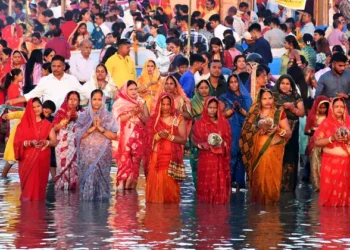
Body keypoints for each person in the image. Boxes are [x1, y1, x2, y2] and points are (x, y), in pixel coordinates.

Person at [240, 89, 292, 204]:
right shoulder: (254, 114)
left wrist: (279, 130)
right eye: (264, 98)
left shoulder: (279, 113)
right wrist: (258, 131)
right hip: (257, 154)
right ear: (259, 100)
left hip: (274, 152)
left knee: (272, 184)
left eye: (270, 98)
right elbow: (245, 133)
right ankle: (257, 213)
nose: (268, 101)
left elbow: (289, 133)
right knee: (258, 184)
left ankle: (271, 213)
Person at [6, 55, 91, 112]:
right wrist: (13, 101)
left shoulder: (71, 79)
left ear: (64, 67)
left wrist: (100, 97)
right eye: (53, 66)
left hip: (67, 117)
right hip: (49, 117)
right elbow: (32, 94)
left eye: (59, 66)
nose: (56, 69)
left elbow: (84, 92)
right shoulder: (45, 80)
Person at [144, 93, 187, 203]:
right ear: (159, 104)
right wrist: (157, 136)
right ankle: (155, 218)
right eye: (163, 104)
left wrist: (170, 136)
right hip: (156, 159)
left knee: (170, 192)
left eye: (168, 104)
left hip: (170, 159)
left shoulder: (178, 118)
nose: (166, 107)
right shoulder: (153, 120)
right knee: (154, 192)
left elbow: (183, 139)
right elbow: (147, 140)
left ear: (172, 104)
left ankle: (169, 216)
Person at [76, 89, 118, 201]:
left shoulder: (108, 117)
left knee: (102, 182)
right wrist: (92, 128)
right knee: (87, 181)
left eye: (100, 99)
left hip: (102, 155)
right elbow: (78, 136)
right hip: (87, 154)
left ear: (103, 100)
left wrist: (100, 128)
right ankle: (86, 208)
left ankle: (101, 210)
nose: (97, 102)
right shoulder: (83, 116)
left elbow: (114, 136)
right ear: (90, 100)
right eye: (94, 99)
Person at [13, 98, 57, 200]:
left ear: (42, 107)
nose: (36, 109)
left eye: (38, 106)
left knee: (39, 192)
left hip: (42, 160)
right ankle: (27, 213)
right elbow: (16, 143)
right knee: (28, 193)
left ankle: (37, 213)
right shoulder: (22, 125)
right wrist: (30, 143)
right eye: (33, 107)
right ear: (29, 109)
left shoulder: (47, 124)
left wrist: (46, 142)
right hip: (27, 161)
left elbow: (54, 142)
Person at [192, 97, 232, 203]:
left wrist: (222, 144)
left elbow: (228, 140)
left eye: (215, 107)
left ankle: (220, 210)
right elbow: (195, 141)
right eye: (210, 107)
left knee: (220, 184)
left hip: (220, 159)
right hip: (206, 160)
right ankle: (205, 211)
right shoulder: (199, 124)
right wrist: (202, 145)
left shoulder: (224, 123)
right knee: (206, 184)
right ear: (206, 107)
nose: (212, 110)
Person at [113, 81, 149, 190]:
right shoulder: (119, 103)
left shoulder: (141, 102)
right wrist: (132, 113)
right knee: (124, 163)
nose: (134, 92)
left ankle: (131, 192)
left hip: (139, 138)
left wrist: (140, 113)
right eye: (131, 89)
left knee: (135, 164)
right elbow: (118, 120)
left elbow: (147, 120)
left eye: (135, 89)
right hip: (125, 138)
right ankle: (121, 193)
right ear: (125, 90)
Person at [219, 74, 252, 191]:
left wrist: (242, 111)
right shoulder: (225, 97)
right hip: (231, 130)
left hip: (244, 130)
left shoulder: (246, 98)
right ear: (228, 84)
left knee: (242, 155)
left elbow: (251, 116)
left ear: (239, 83)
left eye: (235, 81)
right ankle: (228, 182)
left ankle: (240, 183)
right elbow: (218, 115)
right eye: (231, 82)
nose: (233, 84)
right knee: (231, 155)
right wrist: (230, 111)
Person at [314, 98, 350, 206]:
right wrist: (332, 139)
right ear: (332, 108)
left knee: (346, 199)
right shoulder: (326, 123)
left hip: (346, 164)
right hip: (330, 165)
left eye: (342, 107)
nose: (339, 109)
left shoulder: (349, 121)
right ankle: (330, 221)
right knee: (330, 199)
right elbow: (317, 142)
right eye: (336, 107)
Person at [272, 75, 305, 192]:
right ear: (278, 84)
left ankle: (288, 187)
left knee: (290, 156)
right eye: (282, 83)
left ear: (291, 86)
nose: (285, 86)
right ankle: (275, 185)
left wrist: (292, 108)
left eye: (287, 84)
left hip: (293, 128)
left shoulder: (295, 95)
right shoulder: (272, 95)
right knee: (277, 154)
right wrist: (281, 108)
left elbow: (302, 113)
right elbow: (270, 110)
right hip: (277, 129)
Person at [52, 91, 82, 191]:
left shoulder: (83, 112)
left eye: (75, 100)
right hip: (62, 147)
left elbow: (87, 126)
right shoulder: (61, 112)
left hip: (78, 146)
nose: (73, 102)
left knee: (76, 170)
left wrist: (78, 118)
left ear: (79, 102)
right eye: (71, 99)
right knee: (62, 169)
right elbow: (54, 128)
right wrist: (66, 119)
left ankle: (74, 196)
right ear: (66, 100)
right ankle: (61, 195)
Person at [305, 96, 330, 191]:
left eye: (325, 107)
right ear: (317, 106)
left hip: (326, 144)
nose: (323, 109)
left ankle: (326, 184)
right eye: (321, 107)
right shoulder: (313, 117)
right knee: (315, 164)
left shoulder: (329, 118)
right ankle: (317, 185)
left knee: (325, 165)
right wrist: (316, 132)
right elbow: (307, 130)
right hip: (315, 145)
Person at [189, 79, 211, 188]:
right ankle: (198, 187)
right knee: (196, 162)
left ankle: (208, 186)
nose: (204, 90)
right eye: (201, 88)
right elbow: (190, 118)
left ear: (209, 89)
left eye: (206, 88)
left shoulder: (213, 102)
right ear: (197, 89)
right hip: (196, 133)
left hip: (210, 134)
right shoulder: (192, 102)